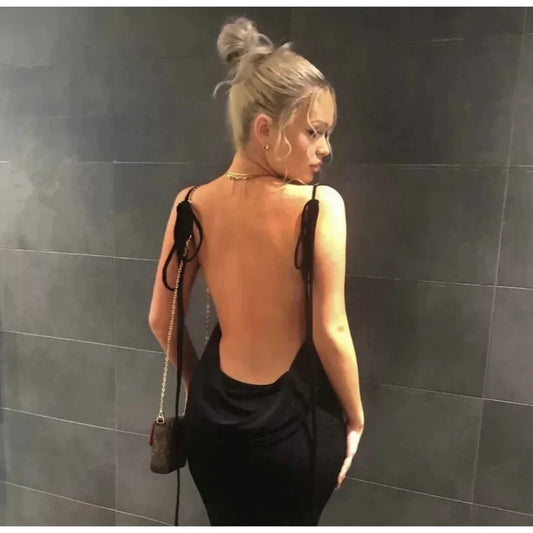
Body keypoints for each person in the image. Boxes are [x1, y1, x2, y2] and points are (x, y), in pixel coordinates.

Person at [148, 15, 365, 526]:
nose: (326, 148)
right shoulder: (319, 206)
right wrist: (356, 418)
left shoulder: (191, 205)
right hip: (295, 432)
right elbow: (331, 331)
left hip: (212, 427)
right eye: (313, 132)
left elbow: (161, 319)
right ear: (265, 129)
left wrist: (198, 385)